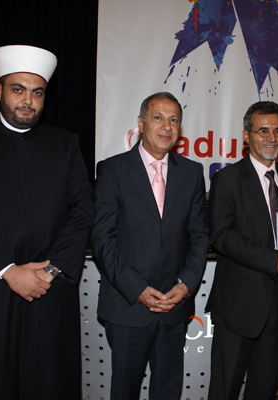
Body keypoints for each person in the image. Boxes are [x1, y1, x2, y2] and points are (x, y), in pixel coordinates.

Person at [0, 45, 94, 399]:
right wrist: (8, 271)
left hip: (49, 288)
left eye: (37, 93)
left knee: (51, 382)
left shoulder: (65, 144)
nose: (28, 100)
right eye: (18, 89)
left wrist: (50, 271)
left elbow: (84, 210)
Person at [90, 92, 209, 399]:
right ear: (141, 123)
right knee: (125, 390)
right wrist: (138, 289)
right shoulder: (112, 170)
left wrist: (186, 285)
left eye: (174, 120)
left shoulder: (192, 172)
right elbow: (102, 238)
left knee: (168, 390)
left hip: (174, 306)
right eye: (158, 117)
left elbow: (199, 235)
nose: (166, 126)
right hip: (128, 306)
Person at [206, 101, 278, 400]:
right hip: (240, 304)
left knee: (265, 387)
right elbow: (221, 236)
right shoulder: (227, 179)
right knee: (225, 389)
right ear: (247, 136)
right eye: (263, 131)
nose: (272, 138)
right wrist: (274, 260)